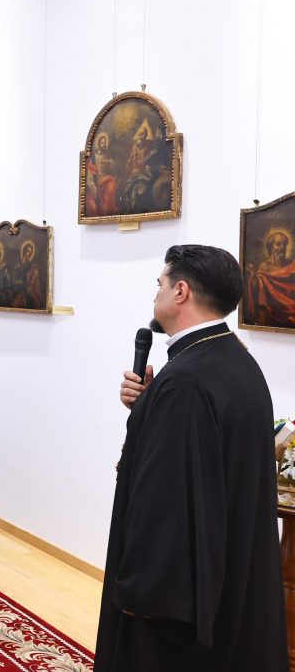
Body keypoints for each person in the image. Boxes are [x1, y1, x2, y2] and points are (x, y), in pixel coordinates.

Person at [97, 245, 286, 671]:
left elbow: (166, 503)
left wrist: (140, 594)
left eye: (160, 284)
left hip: (174, 607)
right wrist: (147, 408)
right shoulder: (234, 358)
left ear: (180, 291)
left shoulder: (185, 381)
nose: (156, 294)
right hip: (227, 575)